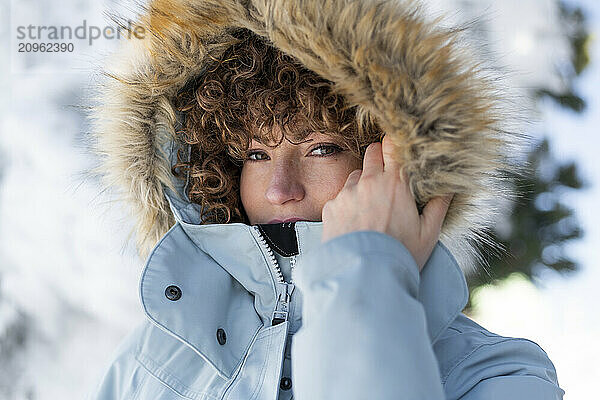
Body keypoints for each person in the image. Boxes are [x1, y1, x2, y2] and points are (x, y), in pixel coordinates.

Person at [87, 0, 565, 399]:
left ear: (398, 168)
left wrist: (368, 274)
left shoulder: (495, 374)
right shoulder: (148, 360)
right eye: (256, 153)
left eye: (322, 148)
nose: (279, 188)